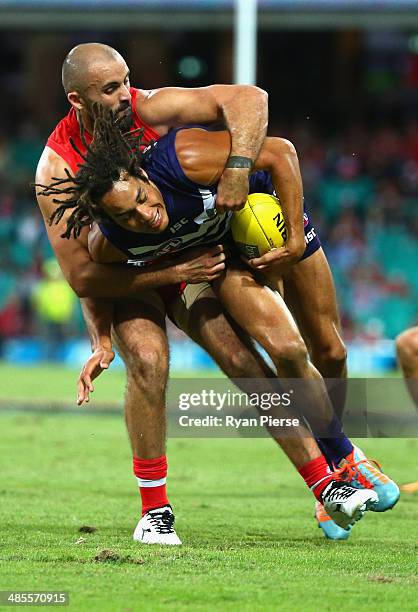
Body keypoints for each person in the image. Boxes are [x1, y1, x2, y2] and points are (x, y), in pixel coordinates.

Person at [35, 43, 394, 542]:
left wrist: (239, 168)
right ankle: (154, 513)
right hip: (139, 270)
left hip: (198, 251)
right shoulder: (57, 172)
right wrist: (104, 333)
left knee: (278, 354)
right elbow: (85, 277)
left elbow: (250, 99)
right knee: (148, 359)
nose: (124, 97)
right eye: (110, 89)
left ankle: (336, 467)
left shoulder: (150, 111)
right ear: (77, 100)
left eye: (125, 82)